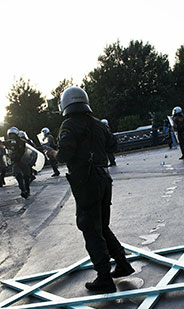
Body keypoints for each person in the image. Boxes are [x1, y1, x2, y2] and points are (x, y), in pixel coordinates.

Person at [43, 86, 134, 293]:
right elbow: (113, 144)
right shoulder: (98, 123)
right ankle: (122, 263)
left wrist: (52, 153)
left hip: (86, 182)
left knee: (90, 228)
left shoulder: (68, 125)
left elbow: (65, 154)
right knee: (101, 225)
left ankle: (104, 277)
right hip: (104, 178)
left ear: (65, 104)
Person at [0, 127, 32, 198]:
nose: (11, 136)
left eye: (13, 134)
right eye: (10, 135)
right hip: (16, 162)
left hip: (23, 161)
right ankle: (23, 190)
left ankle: (27, 189)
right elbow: (2, 144)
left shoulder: (22, 141)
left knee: (26, 176)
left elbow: (29, 149)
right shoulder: (10, 142)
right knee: (18, 175)